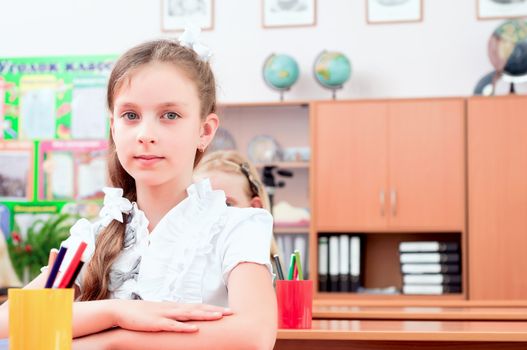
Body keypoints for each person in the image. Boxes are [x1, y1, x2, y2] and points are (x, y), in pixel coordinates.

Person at [0, 31, 277, 350]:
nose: (146, 134)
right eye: (130, 115)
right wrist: (118, 312)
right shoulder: (91, 237)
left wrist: (114, 341)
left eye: (169, 115)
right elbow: (13, 321)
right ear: (114, 128)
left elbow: (254, 334)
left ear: (204, 131)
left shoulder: (236, 227)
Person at [193, 150, 281, 261]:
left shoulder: (257, 264)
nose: (212, 215)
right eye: (203, 203)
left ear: (255, 208)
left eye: (227, 204)